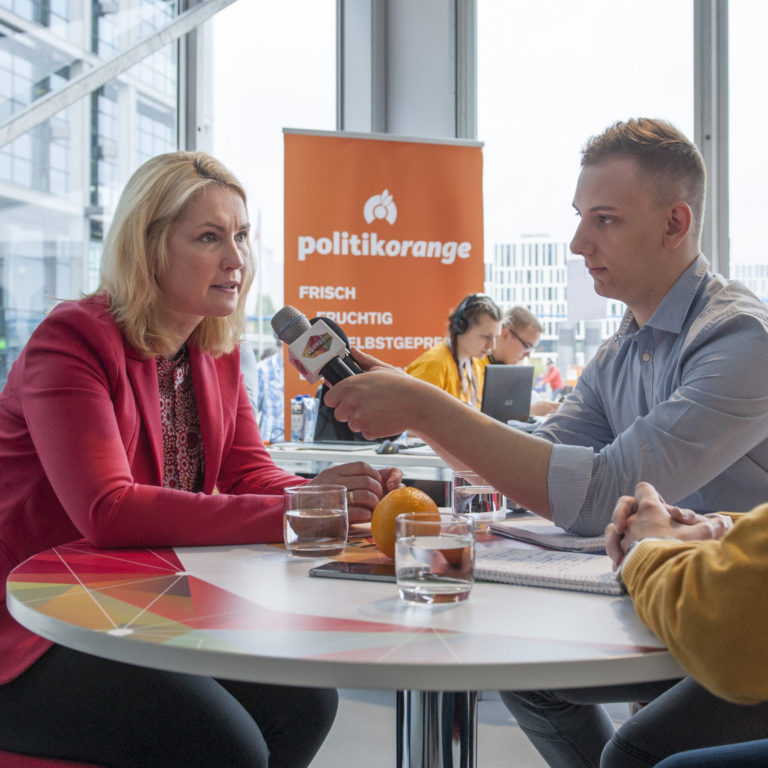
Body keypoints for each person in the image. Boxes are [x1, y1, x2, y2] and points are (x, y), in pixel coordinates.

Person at [0, 151, 402, 768]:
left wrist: (330, 493)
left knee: (306, 702)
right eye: (210, 237)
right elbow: (108, 510)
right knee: (224, 748)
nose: (236, 259)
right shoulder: (72, 339)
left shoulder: (212, 350)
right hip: (33, 625)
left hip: (131, 602)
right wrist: (302, 511)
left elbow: (249, 472)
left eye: (240, 235)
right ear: (149, 247)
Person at [323, 118, 768, 540]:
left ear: (674, 224)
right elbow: (519, 471)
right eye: (580, 216)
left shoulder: (743, 341)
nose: (577, 243)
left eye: (605, 219)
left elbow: (601, 493)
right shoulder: (619, 353)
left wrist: (422, 408)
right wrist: (411, 401)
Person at [405, 293, 501, 408]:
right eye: (486, 336)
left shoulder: (474, 364)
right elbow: (412, 418)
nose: (492, 345)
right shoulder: (434, 366)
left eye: (496, 337)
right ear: (461, 328)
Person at [486, 306, 559, 418]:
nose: (528, 355)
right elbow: (483, 420)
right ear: (505, 335)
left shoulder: (504, 373)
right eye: (526, 346)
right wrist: (530, 410)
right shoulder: (475, 367)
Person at [256, 336, 285, 443]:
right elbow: (251, 409)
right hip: (270, 441)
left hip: (303, 447)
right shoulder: (263, 369)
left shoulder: (303, 370)